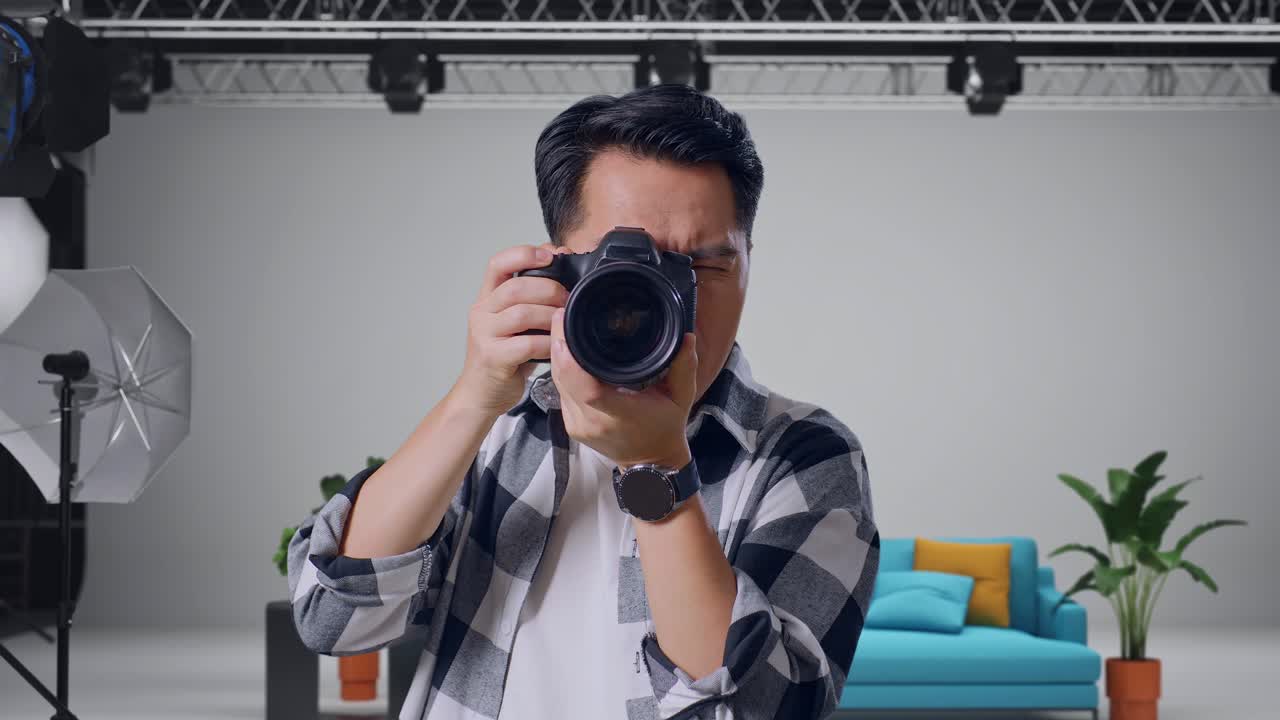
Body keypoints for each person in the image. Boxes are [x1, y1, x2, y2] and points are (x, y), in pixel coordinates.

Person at [286, 83, 878, 720]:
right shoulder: (498, 432)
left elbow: (767, 708)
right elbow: (334, 620)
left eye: (704, 268)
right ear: (557, 265)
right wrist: (474, 395)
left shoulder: (806, 456)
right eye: (634, 267)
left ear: (748, 260)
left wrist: (659, 472)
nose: (674, 303)